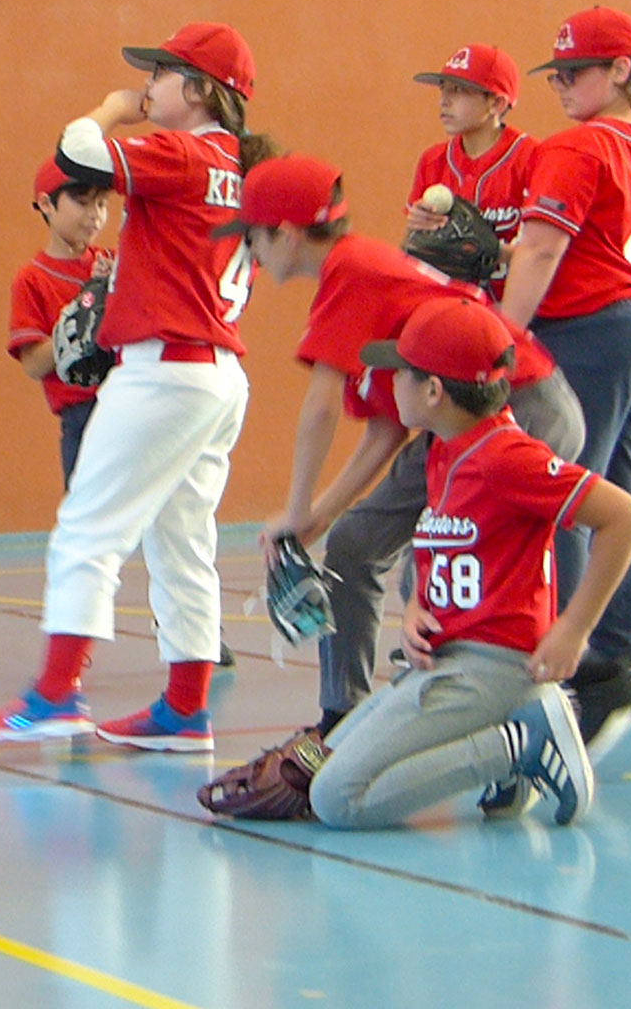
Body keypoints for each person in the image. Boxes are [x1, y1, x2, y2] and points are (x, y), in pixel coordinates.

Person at [0, 22, 271, 753]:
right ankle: (185, 708)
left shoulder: (186, 151)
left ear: (197, 90)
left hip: (165, 370)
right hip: (217, 374)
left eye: (161, 74)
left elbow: (76, 151)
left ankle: (55, 695)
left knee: (86, 529)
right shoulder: (245, 169)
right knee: (183, 542)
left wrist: (109, 109)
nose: (147, 85)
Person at [237, 155, 584, 785]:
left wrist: (296, 506)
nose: (250, 252)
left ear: (284, 234)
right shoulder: (359, 277)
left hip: (517, 406)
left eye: (252, 237)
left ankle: (514, 736)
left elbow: (320, 407)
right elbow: (387, 429)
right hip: (468, 419)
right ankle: (343, 721)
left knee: (462, 575)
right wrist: (320, 517)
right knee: (355, 544)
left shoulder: (351, 270)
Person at [303, 295, 631, 829]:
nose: (391, 382)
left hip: (493, 669)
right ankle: (508, 747)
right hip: (448, 660)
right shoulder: (446, 447)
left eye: (402, 372)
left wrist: (574, 629)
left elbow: (625, 517)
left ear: (434, 391)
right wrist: (417, 607)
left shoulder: (507, 458)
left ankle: (518, 746)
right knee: (323, 760)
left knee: (335, 799)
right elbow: (450, 542)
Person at [499, 7, 631, 758]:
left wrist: (499, 340)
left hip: (589, 328)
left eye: (576, 71)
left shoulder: (579, 145)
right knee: (623, 495)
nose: (561, 85)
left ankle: (562, 661)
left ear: (620, 70)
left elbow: (539, 250)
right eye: (555, 74)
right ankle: (620, 657)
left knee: (561, 495)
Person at [8, 158, 111, 484]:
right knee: (86, 506)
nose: (95, 215)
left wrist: (116, 286)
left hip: (128, 403)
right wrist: (76, 320)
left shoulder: (112, 262)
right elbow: (33, 365)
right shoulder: (32, 279)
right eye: (82, 202)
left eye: (101, 204)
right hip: (81, 415)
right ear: (46, 204)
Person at [402, 44, 534, 290]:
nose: (444, 100)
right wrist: (417, 226)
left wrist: (493, 252)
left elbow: (547, 254)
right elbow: (414, 247)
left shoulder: (533, 159)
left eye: (459, 90)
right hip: (448, 303)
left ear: (496, 104)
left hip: (511, 304)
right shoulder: (432, 160)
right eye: (443, 89)